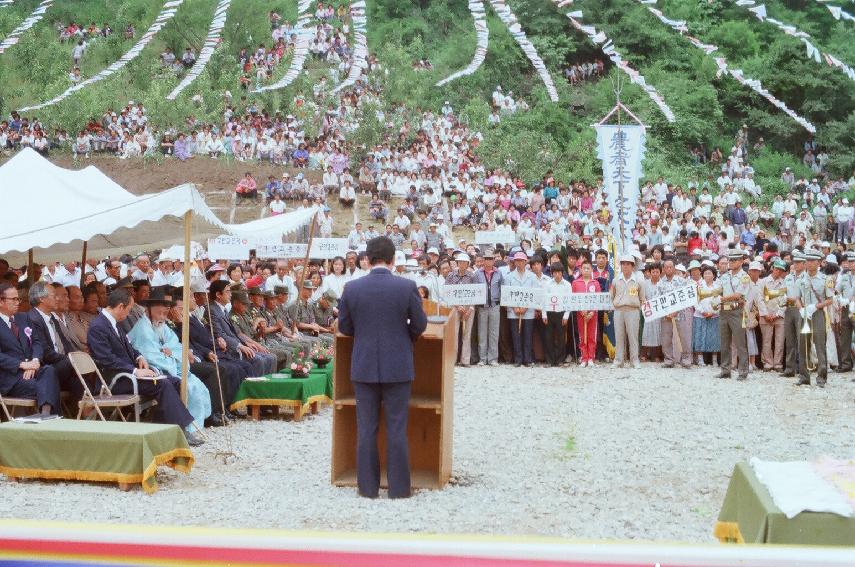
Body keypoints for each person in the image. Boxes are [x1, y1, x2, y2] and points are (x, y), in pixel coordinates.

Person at [337, 236, 427, 499]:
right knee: (397, 428)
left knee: (366, 428)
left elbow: (344, 326)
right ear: (393, 260)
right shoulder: (407, 286)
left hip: (363, 364)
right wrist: (405, 337)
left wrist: (363, 335)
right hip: (398, 363)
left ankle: (367, 488)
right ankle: (399, 489)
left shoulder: (351, 288)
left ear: (367, 259)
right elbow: (420, 324)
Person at [87, 288, 203, 446]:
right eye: (128, 310)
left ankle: (162, 428)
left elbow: (128, 348)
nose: (129, 314)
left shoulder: (114, 323)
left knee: (174, 381)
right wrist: (135, 370)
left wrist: (139, 356)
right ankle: (181, 430)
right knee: (162, 384)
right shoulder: (98, 326)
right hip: (114, 380)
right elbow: (106, 359)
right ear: (120, 306)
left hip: (126, 374)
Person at [127, 287, 212, 432]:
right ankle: (187, 427)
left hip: (173, 368)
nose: (166, 309)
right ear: (150, 307)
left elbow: (177, 347)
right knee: (187, 386)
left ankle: (195, 426)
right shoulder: (142, 329)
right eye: (162, 305)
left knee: (196, 384)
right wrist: (170, 355)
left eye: (168, 306)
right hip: (155, 371)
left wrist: (170, 352)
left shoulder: (162, 326)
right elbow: (151, 356)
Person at [0, 282, 60, 416]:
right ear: (1, 301)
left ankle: (46, 414)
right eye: (13, 299)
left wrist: (35, 362)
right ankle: (48, 415)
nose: (18, 302)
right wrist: (23, 365)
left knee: (49, 370)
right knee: (48, 386)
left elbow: (37, 343)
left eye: (18, 299)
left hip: (33, 370)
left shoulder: (23, 318)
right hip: (11, 377)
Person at [797, 249, 832, 387]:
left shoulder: (825, 279)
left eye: (812, 261)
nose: (809, 263)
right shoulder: (801, 278)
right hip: (804, 312)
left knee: (819, 344)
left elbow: (830, 299)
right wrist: (800, 308)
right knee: (803, 344)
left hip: (817, 313)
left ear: (819, 263)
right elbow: (796, 297)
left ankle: (821, 377)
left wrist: (816, 306)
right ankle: (804, 377)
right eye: (808, 261)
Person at [717, 250, 750, 380]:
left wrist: (722, 299)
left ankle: (743, 371)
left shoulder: (744, 277)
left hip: (737, 311)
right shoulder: (725, 276)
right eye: (730, 260)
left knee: (740, 342)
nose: (731, 262)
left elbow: (738, 295)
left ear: (741, 261)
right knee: (724, 342)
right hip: (724, 311)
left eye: (734, 260)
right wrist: (716, 298)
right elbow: (718, 290)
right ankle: (725, 369)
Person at [610, 255, 645, 369]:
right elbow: (612, 295)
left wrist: (637, 307)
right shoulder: (616, 280)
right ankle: (618, 360)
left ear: (633, 266)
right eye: (623, 264)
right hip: (619, 310)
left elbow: (642, 298)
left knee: (633, 336)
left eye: (628, 264)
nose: (625, 266)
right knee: (619, 336)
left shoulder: (639, 281)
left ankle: (634, 360)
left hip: (633, 310)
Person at [505, 251, 538, 367]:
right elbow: (507, 294)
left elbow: (534, 294)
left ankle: (528, 359)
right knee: (516, 335)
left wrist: (525, 307)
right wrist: (514, 307)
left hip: (527, 311)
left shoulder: (532, 277)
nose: (519, 263)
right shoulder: (509, 277)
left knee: (528, 335)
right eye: (517, 261)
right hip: (514, 311)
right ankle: (518, 359)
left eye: (521, 261)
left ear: (525, 262)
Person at [444, 253, 475, 366]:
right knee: (454, 333)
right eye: (460, 262)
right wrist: (457, 305)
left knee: (467, 334)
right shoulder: (451, 276)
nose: (462, 264)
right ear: (457, 263)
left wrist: (470, 309)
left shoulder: (472, 276)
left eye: (464, 262)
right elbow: (446, 292)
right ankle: (453, 359)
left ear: (468, 264)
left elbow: (476, 293)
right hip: (455, 306)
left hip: (469, 307)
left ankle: (465, 360)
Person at [472, 248, 502, 366]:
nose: (488, 261)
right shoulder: (477, 274)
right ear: (483, 260)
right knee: (482, 332)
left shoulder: (499, 273)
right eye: (486, 259)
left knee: (494, 333)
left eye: (491, 259)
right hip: (482, 307)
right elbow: (474, 289)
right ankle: (483, 358)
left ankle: (493, 358)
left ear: (494, 260)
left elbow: (501, 288)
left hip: (495, 305)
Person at [759, 259, 787, 372]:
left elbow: (786, 300)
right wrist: (765, 314)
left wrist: (778, 314)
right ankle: (768, 363)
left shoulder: (785, 283)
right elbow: (760, 299)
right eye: (777, 269)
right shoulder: (763, 282)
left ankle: (778, 364)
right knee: (766, 340)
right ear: (773, 268)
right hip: (766, 314)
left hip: (779, 315)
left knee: (780, 341)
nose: (778, 272)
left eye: (781, 270)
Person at [541, 262, 570, 366]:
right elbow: (544, 300)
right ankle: (549, 360)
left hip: (561, 313)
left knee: (561, 338)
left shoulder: (567, 285)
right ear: (552, 273)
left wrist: (566, 315)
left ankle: (560, 360)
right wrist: (543, 314)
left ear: (562, 273)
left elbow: (569, 301)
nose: (557, 275)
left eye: (559, 272)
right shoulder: (548, 284)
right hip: (549, 312)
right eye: (555, 272)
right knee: (548, 337)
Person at [572, 259, 601, 367]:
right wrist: (581, 311)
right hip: (581, 315)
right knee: (582, 336)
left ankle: (591, 358)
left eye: (588, 268)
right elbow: (573, 300)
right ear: (580, 269)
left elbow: (598, 300)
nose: (586, 270)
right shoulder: (575, 283)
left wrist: (592, 312)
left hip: (593, 315)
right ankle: (584, 358)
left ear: (591, 270)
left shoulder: (596, 283)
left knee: (591, 337)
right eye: (584, 268)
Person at [782, 253, 806, 377]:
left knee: (801, 340)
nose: (795, 264)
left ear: (804, 264)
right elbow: (783, 291)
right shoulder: (788, 277)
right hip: (789, 309)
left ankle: (802, 369)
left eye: (798, 262)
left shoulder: (806, 277)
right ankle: (789, 368)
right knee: (790, 340)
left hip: (800, 308)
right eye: (794, 262)